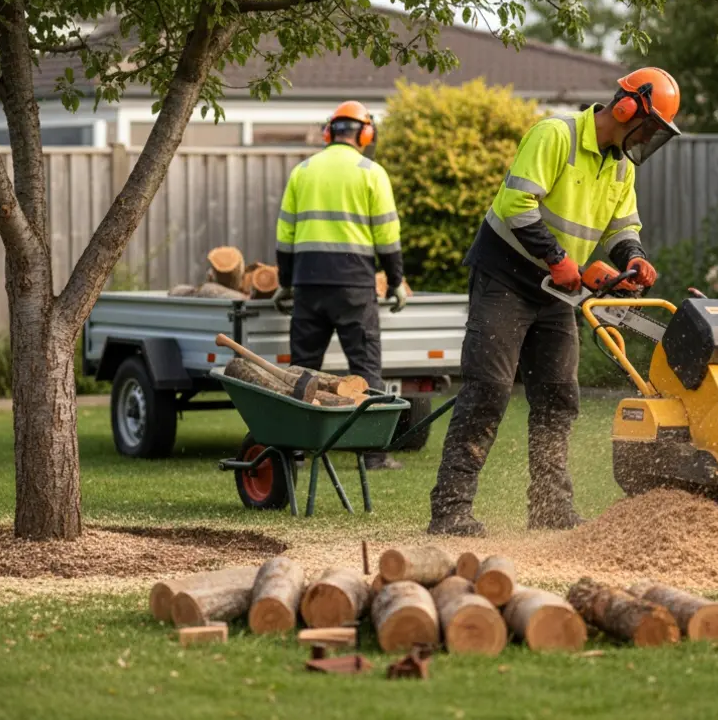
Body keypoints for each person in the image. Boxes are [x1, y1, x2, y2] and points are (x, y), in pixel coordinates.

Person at [427, 67, 681, 535]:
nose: (650, 137)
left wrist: (634, 257)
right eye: (650, 127)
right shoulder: (555, 135)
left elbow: (622, 227)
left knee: (559, 397)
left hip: (558, 290)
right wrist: (558, 258)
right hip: (505, 277)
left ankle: (550, 508)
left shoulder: (620, 166)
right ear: (627, 107)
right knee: (488, 391)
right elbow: (516, 204)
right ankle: (450, 510)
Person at [273, 100, 410, 471]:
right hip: (354, 288)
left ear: (328, 132)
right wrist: (395, 281)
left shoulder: (303, 171)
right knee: (365, 368)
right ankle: (373, 454)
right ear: (365, 134)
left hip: (308, 285)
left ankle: (295, 451)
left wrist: (285, 283)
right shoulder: (371, 173)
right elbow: (387, 236)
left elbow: (285, 234)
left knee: (302, 370)